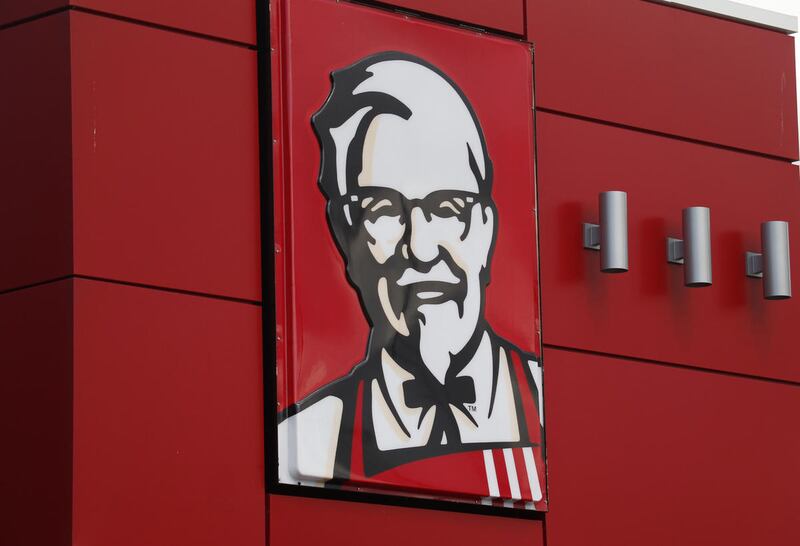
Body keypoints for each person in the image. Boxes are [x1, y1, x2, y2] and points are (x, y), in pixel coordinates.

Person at [278, 51, 544, 508]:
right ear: (346, 240)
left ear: (484, 228)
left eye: (446, 208)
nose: (420, 248)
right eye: (383, 210)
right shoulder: (305, 442)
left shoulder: (551, 409)